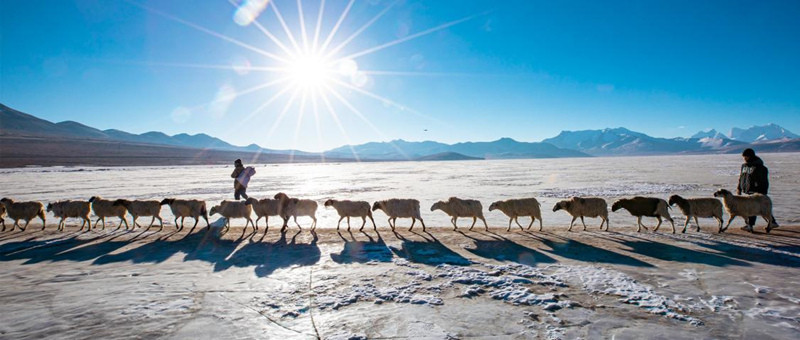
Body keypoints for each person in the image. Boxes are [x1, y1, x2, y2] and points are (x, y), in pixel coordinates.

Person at [736, 148, 778, 232]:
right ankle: (772, 222)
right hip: (748, 189)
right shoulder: (744, 166)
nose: (744, 158)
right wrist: (739, 188)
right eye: (744, 157)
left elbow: (764, 181)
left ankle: (750, 225)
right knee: (757, 208)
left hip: (757, 191)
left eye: (746, 156)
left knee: (752, 208)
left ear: (750, 156)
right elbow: (741, 177)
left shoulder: (760, 167)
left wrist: (762, 192)